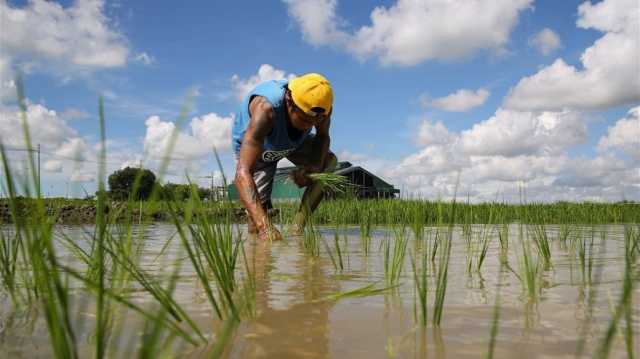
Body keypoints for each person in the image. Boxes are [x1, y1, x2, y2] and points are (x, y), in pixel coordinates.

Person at [232, 73, 337, 241]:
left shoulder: (322, 109)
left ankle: (297, 229)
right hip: (261, 145)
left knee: (329, 162)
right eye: (304, 119)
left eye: (314, 122)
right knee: (256, 219)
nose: (309, 126)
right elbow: (242, 174)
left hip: (294, 142)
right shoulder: (266, 110)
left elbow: (322, 136)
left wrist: (314, 169)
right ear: (289, 100)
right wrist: (264, 227)